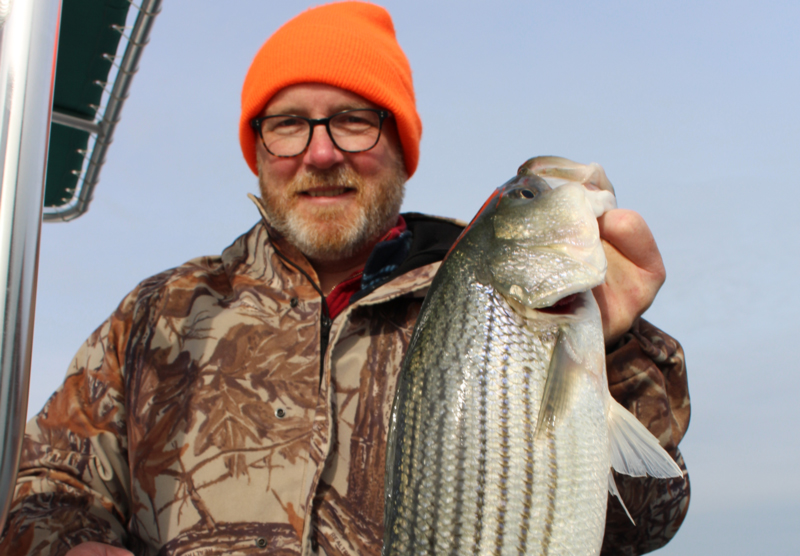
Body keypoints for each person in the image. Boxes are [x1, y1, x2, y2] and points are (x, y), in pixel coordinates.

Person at [0, 3, 690, 555]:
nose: (321, 152)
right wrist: (69, 548)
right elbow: (40, 490)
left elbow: (646, 520)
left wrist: (619, 349)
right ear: (258, 150)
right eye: (289, 124)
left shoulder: (484, 292)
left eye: (354, 121)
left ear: (402, 144)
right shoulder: (158, 316)